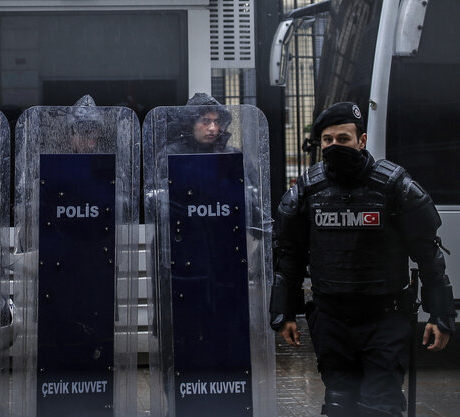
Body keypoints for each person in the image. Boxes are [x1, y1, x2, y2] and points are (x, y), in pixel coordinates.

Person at [269, 102, 456, 416]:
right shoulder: (308, 189)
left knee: (380, 405)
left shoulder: (395, 187)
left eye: (343, 139)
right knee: (339, 402)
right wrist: (284, 312)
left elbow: (428, 255)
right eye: (327, 140)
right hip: (330, 319)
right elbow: (290, 255)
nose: (334, 146)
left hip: (384, 318)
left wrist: (441, 316)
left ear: (362, 140)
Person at [166, 92, 238, 154]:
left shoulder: (230, 154)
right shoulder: (172, 154)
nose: (212, 128)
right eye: (206, 121)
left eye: (217, 122)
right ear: (191, 124)